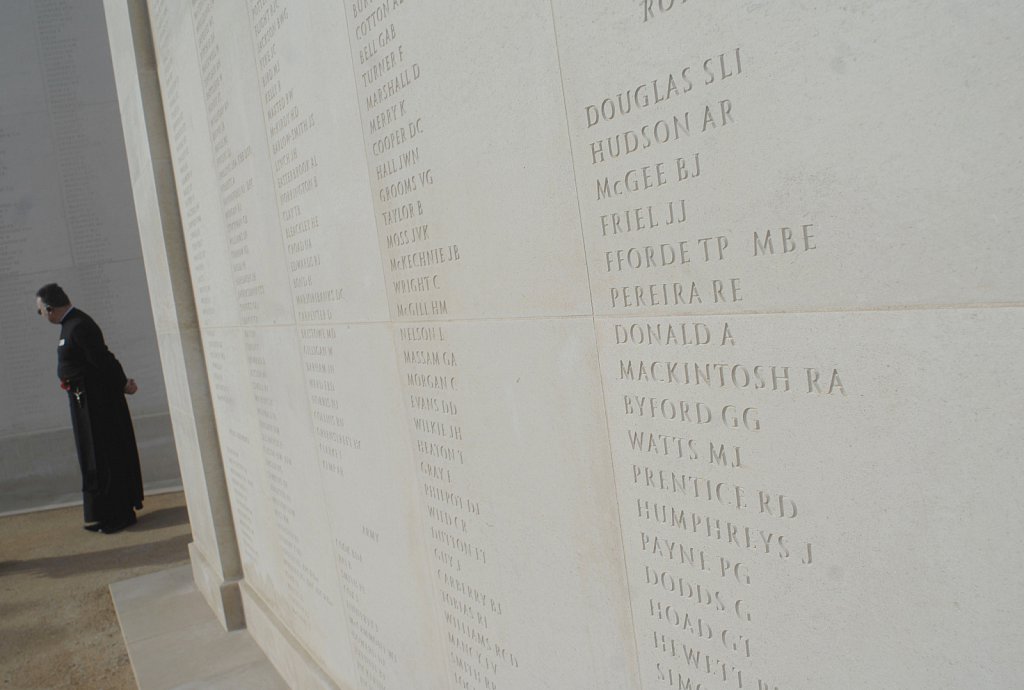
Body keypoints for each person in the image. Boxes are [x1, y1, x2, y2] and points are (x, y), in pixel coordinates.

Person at [35, 283, 144, 534]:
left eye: (40, 311)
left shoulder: (80, 325)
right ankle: (103, 514)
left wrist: (122, 384)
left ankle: (119, 515)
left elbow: (103, 359)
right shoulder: (70, 326)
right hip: (86, 404)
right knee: (93, 458)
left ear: (50, 309)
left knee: (106, 457)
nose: (41, 316)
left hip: (100, 406)